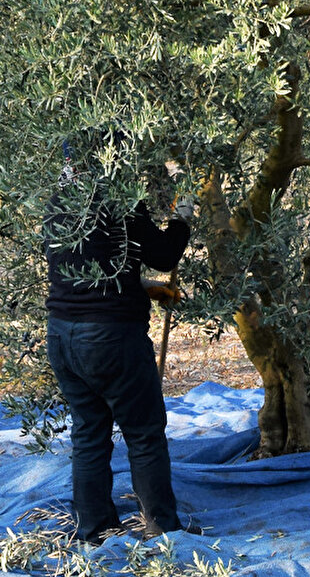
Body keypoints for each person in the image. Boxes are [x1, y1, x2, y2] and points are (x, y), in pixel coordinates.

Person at [43, 142, 197, 544]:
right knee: (144, 432)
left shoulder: (58, 202)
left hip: (62, 335)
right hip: (111, 337)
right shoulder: (118, 200)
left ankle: (93, 530)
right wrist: (184, 213)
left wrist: (144, 288)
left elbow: (83, 273)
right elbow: (163, 254)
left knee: (89, 432)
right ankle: (163, 529)